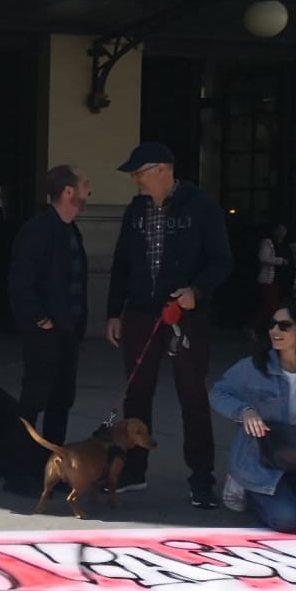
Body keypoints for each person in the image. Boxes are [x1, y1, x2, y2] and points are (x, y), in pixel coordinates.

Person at [105, 142, 233, 507]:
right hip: (140, 313)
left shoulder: (201, 206)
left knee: (192, 396)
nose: (135, 180)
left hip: (185, 315)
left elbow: (222, 261)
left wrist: (198, 291)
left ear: (163, 170)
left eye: (139, 172)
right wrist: (115, 311)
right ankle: (133, 470)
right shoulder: (136, 210)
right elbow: (121, 264)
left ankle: (201, 478)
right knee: (137, 394)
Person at [5, 166, 91, 494]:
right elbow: (21, 280)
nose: (89, 192)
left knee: (61, 400)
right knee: (34, 399)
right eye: (85, 185)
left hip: (68, 332)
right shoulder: (38, 229)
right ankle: (18, 470)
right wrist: (40, 319)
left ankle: (53, 469)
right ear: (68, 192)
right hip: (45, 333)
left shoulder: (71, 230)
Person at [211, 302, 296, 533]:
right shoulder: (253, 367)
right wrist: (244, 411)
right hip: (263, 463)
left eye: (284, 326)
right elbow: (219, 392)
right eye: (272, 325)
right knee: (287, 521)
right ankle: (244, 488)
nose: (275, 331)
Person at [257, 223, 290, 329]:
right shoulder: (268, 242)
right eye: (280, 230)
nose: (283, 232)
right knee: (269, 304)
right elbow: (263, 257)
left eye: (284, 230)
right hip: (269, 277)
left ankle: (267, 326)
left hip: (279, 278)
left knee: (275, 304)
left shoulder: (283, 244)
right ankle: (252, 325)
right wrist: (280, 261)